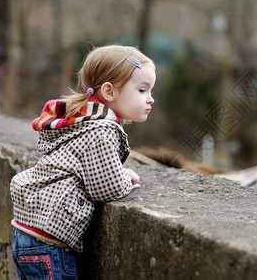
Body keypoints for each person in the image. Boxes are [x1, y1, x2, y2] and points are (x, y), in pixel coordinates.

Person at [10, 45, 156, 279]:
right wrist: (125, 180)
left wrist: (116, 170)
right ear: (109, 91)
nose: (151, 99)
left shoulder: (83, 121)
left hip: (26, 233)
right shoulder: (102, 129)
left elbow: (86, 167)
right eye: (142, 90)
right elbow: (106, 188)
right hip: (50, 242)